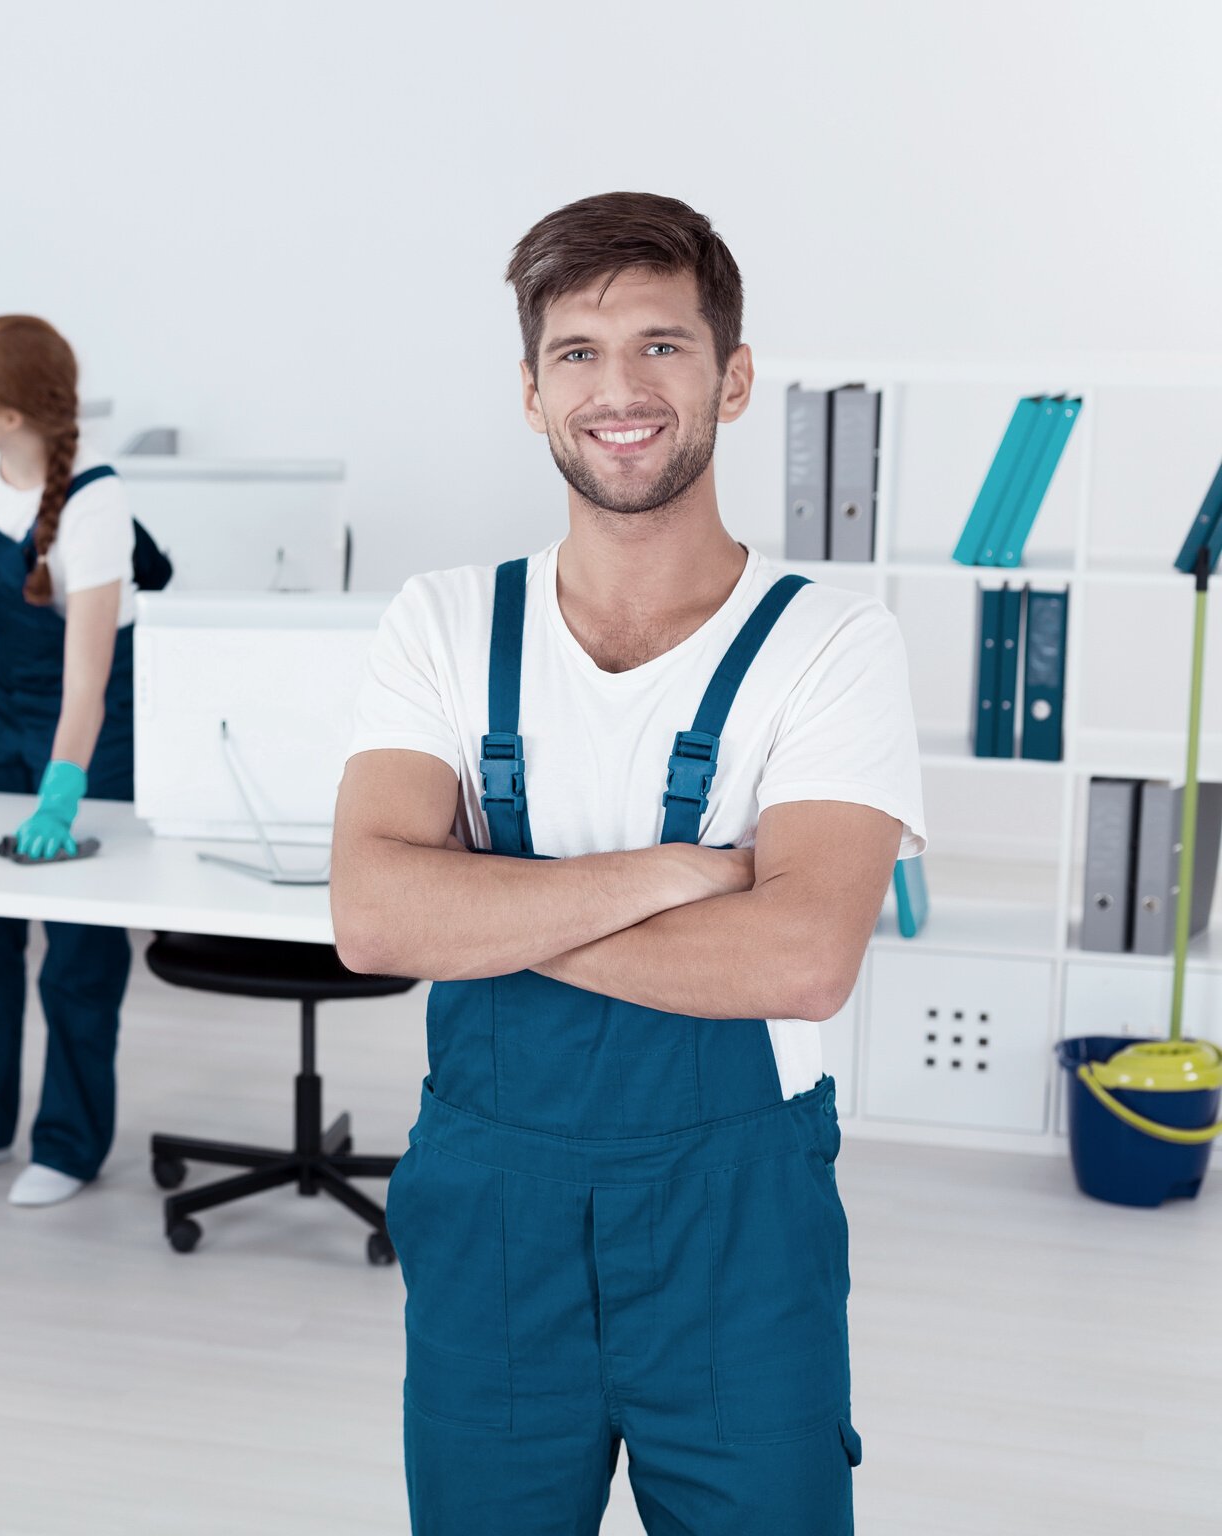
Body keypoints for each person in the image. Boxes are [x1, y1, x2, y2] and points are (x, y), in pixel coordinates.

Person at [332, 192, 926, 1534]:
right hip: (489, 1214)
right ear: (532, 393)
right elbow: (372, 919)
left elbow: (802, 959)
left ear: (733, 377)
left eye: (662, 345)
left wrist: (478, 907)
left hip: (737, 1226)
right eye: (578, 353)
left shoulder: (832, 646)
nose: (620, 390)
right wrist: (675, 872)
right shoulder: (442, 623)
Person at [0, 315, 159, 1207]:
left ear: (10, 415)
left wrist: (60, 798)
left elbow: (88, 681)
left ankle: (69, 1145)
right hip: (5, 710)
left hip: (92, 729)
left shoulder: (94, 507)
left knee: (78, 950)